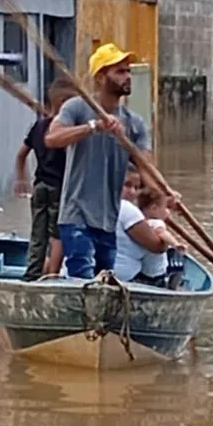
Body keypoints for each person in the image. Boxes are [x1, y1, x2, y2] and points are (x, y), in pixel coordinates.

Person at [46, 42, 169, 279]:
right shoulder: (77, 108)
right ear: (101, 78)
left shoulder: (134, 123)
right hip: (77, 215)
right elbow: (53, 138)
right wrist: (94, 127)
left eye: (128, 71)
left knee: (105, 281)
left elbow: (146, 167)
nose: (128, 77)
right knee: (82, 277)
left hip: (108, 219)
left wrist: (165, 194)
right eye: (120, 71)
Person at [14, 78, 76, 280]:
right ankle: (52, 275)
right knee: (58, 234)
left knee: (38, 233)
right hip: (59, 188)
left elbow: (21, 154)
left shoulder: (39, 126)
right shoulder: (66, 132)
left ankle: (31, 275)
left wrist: (21, 178)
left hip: (40, 186)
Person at [114, 184, 187, 287]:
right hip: (156, 274)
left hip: (142, 272)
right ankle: (174, 287)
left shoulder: (139, 222)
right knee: (177, 265)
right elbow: (162, 233)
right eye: (166, 208)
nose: (168, 212)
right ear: (153, 208)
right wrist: (176, 244)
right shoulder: (156, 223)